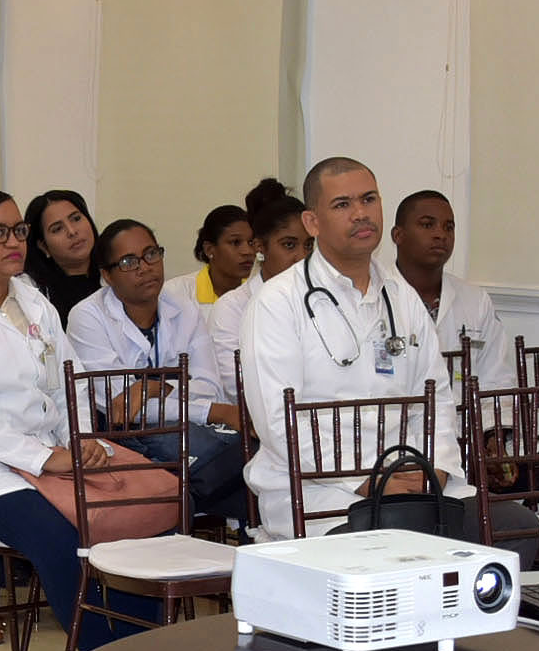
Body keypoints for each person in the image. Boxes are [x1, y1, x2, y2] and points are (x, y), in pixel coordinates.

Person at [0, 191, 159, 651]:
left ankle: (147, 648)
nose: (13, 241)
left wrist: (78, 440)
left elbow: (71, 380)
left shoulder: (34, 301)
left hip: (49, 457)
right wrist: (45, 458)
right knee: (59, 535)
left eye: (18, 230)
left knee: (136, 513)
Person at [240, 158, 465, 539]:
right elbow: (280, 423)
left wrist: (434, 467)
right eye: (343, 205)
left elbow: (437, 398)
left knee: (513, 529)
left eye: (369, 199)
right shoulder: (278, 302)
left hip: (409, 484)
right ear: (312, 222)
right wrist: (368, 482)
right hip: (316, 494)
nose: (361, 214)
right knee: (389, 542)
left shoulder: (401, 298)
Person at [64, 216, 244, 514]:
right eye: (128, 262)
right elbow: (120, 406)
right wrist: (208, 408)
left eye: (151, 254)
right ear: (107, 275)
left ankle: (178, 501)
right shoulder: (88, 316)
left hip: (188, 430)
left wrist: (150, 388)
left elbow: (209, 386)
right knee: (247, 463)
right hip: (126, 436)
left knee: (254, 456)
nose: (145, 267)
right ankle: (178, 503)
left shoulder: (183, 310)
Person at [198, 190, 313, 433]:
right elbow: (239, 387)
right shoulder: (232, 307)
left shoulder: (322, 302)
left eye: (309, 245)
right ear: (260, 247)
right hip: (253, 432)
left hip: (316, 425)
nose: (301, 257)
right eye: (289, 245)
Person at [392, 188, 510, 392]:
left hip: (465, 422)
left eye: (449, 227)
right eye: (427, 225)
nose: (440, 235)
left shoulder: (476, 300)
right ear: (398, 235)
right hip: (400, 422)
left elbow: (498, 382)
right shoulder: (377, 296)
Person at [160, 201, 257, 340]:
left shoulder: (260, 292)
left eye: (251, 242)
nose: (247, 251)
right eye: (235, 242)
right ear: (209, 249)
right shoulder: (175, 293)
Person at [22, 188, 103, 317]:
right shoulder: (32, 292)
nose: (72, 231)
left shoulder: (114, 272)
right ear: (43, 246)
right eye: (57, 229)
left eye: (76, 219)